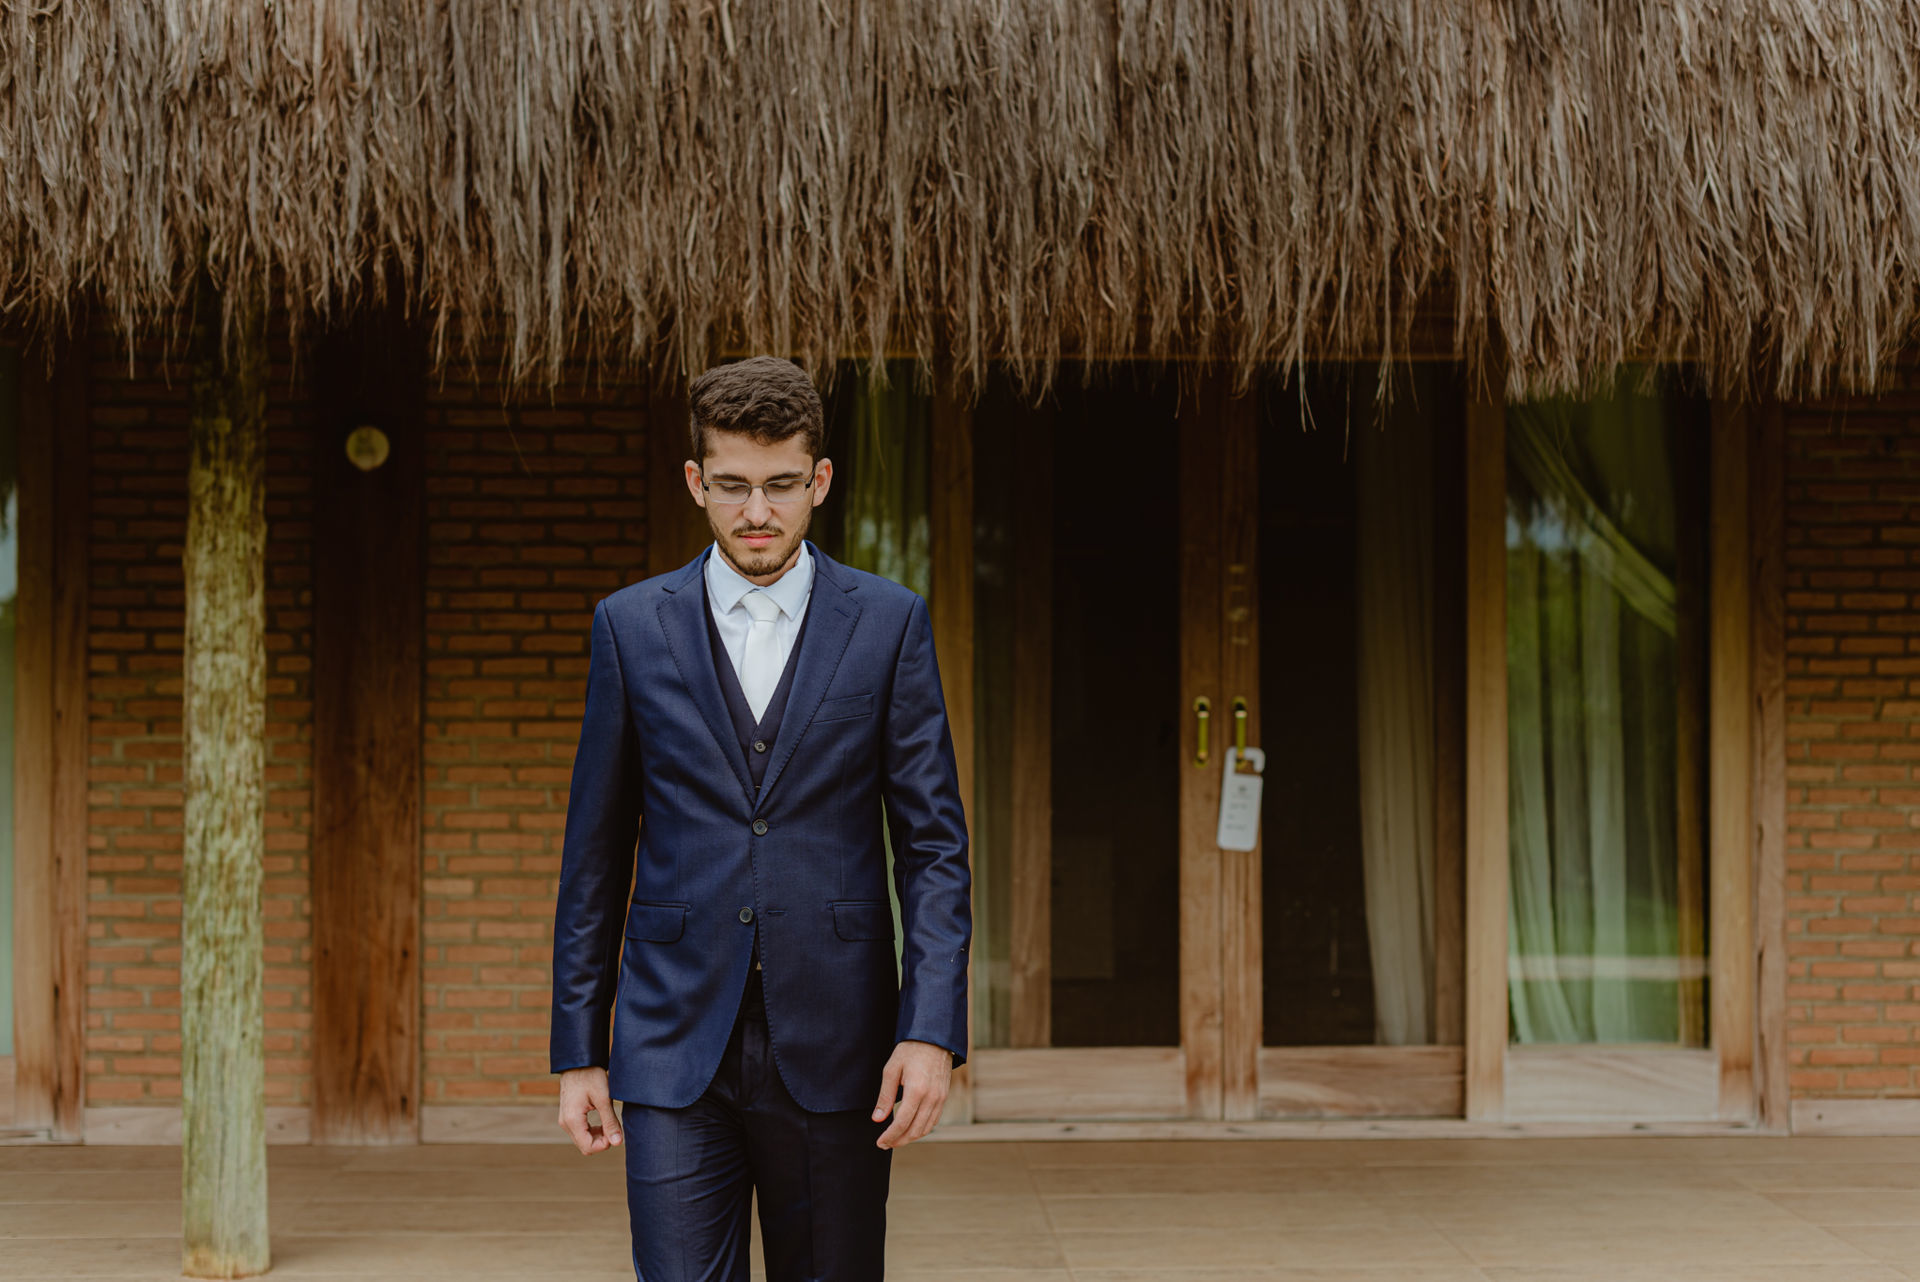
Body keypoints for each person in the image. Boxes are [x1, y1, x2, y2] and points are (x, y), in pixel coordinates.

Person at [548, 355, 972, 1282]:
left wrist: (930, 1028)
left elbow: (934, 848)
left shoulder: (889, 622)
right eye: (733, 486)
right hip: (669, 1040)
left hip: (840, 1040)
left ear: (818, 480)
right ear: (696, 482)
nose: (756, 513)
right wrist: (578, 1050)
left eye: (781, 486)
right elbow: (594, 851)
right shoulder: (628, 626)